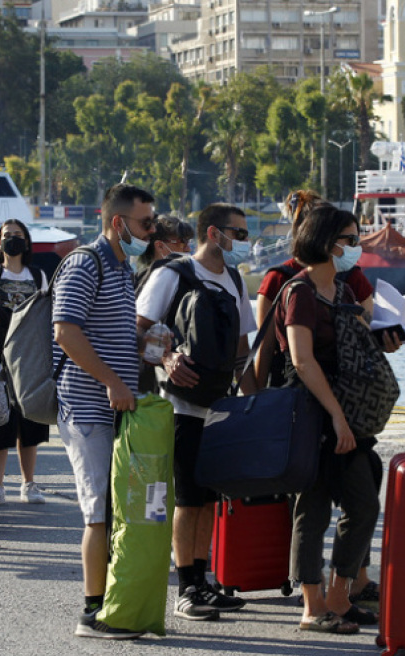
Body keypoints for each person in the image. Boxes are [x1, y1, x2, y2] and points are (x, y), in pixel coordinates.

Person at [136, 203, 256, 621]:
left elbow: (242, 349)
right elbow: (137, 327)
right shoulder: (173, 273)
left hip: (219, 404)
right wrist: (165, 360)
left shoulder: (236, 279)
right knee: (187, 498)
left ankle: (203, 581)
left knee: (208, 499)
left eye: (244, 233)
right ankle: (185, 588)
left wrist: (249, 403)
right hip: (178, 403)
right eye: (237, 233)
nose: (243, 241)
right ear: (212, 232)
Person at [275, 204, 383, 635]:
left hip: (345, 416)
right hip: (310, 415)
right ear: (325, 241)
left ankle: (340, 594)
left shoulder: (343, 292)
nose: (356, 248)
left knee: (363, 504)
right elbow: (301, 361)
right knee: (312, 510)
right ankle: (312, 604)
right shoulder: (299, 292)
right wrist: (336, 418)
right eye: (350, 240)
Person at [53, 183, 155, 640]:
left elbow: (108, 331)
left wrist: (146, 346)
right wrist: (112, 380)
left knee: (116, 511)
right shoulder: (85, 263)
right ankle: (92, 613)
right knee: (98, 512)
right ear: (118, 223)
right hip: (89, 408)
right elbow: (66, 333)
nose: (151, 232)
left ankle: (112, 601)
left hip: (116, 410)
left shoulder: (121, 268)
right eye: (145, 223)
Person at [0, 219, 49, 506]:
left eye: (18, 235)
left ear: (27, 241)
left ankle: (29, 483)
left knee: (30, 421)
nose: (12, 240)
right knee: (0, 419)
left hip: (29, 355)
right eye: (7, 235)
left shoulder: (38, 276)